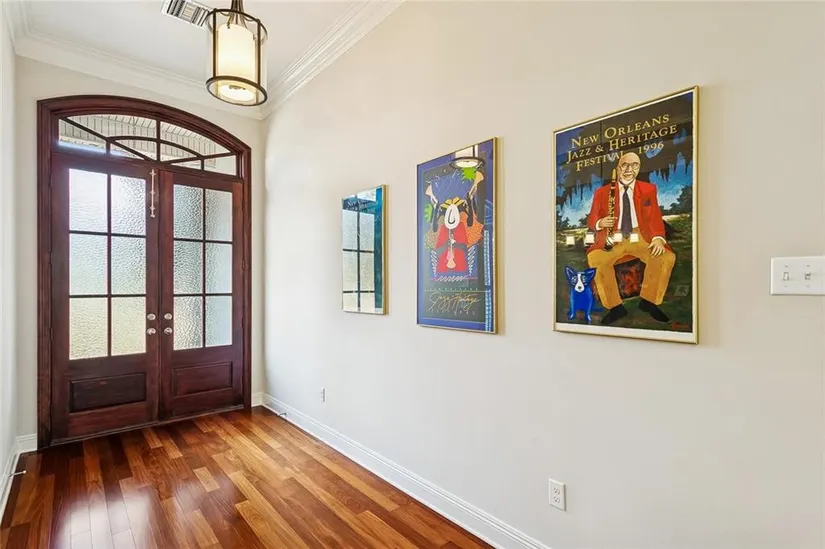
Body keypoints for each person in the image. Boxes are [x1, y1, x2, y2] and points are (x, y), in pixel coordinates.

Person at [586, 151, 676, 325]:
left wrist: (658, 238)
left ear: (639, 168)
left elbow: (655, 217)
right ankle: (615, 307)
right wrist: (600, 222)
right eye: (625, 165)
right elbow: (592, 219)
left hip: (639, 235)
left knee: (666, 257)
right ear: (618, 168)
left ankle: (649, 302)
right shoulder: (602, 192)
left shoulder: (649, 189)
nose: (629, 170)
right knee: (596, 260)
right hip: (613, 236)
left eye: (634, 165)